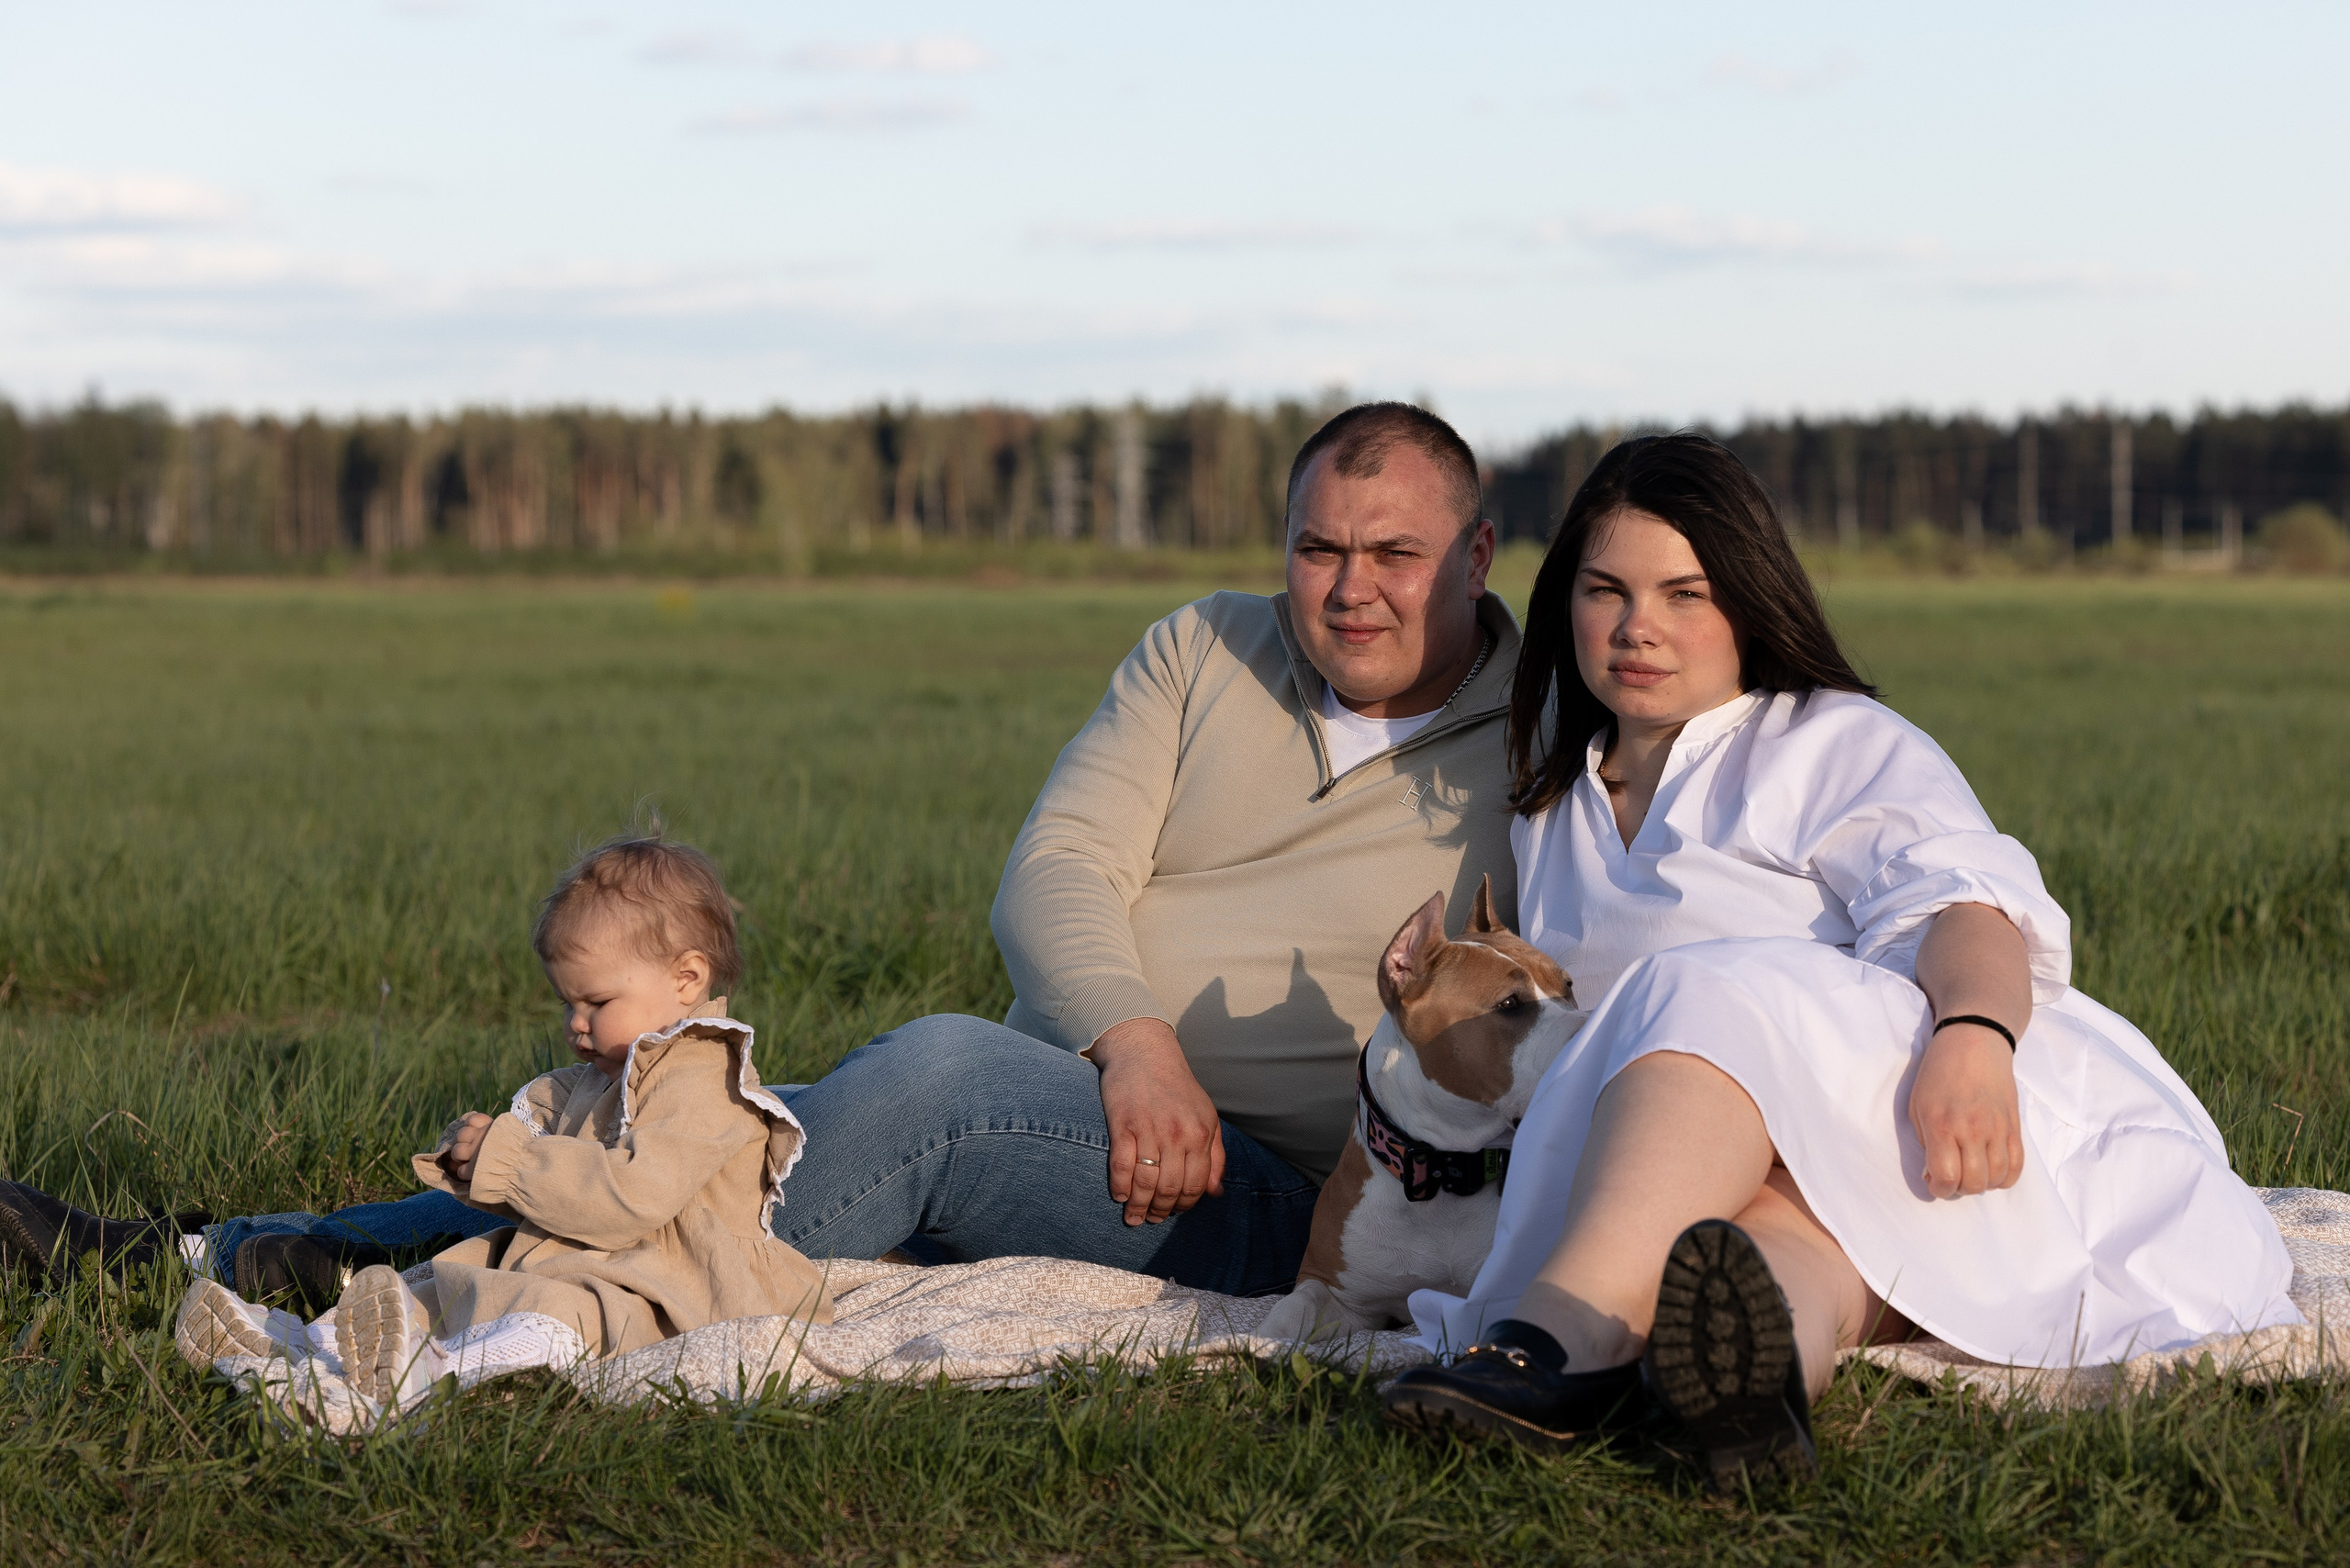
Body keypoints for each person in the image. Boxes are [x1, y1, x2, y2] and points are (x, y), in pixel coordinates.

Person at [4, 402, 1525, 1309]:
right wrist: (1134, 1045)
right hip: (1087, 1113)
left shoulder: (1528, 752)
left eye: (1392, 554)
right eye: (1320, 548)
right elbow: (1052, 869)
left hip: (1282, 1204)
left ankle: (385, 1293)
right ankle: (224, 1250)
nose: (1349, 589)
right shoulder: (1205, 646)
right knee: (746, 1128)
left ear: (1474, 554)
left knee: (918, 1085)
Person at [1380, 433, 2300, 1487]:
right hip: (1740, 1175)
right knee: (1768, 1253)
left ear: (1749, 601)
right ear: (1568, 603)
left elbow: (1962, 904)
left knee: (1696, 987)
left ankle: (1547, 1348)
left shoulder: (1825, 738)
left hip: (1924, 1104)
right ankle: (1735, 1399)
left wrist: (1972, 1037)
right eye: (1607, 591)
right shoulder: (1552, 806)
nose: (1640, 628)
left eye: (1686, 593)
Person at [174, 836, 833, 1412]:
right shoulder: (602, 1076)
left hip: (670, 1289)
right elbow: (539, 1148)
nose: (575, 1023)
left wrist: (511, 1162)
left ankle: (431, 1375)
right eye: (566, 1003)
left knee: (552, 1313)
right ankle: (296, 1344)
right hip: (596, 1257)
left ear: (686, 978)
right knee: (449, 1276)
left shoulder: (702, 1076)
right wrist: (473, 1159)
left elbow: (634, 1198)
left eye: (597, 1002)